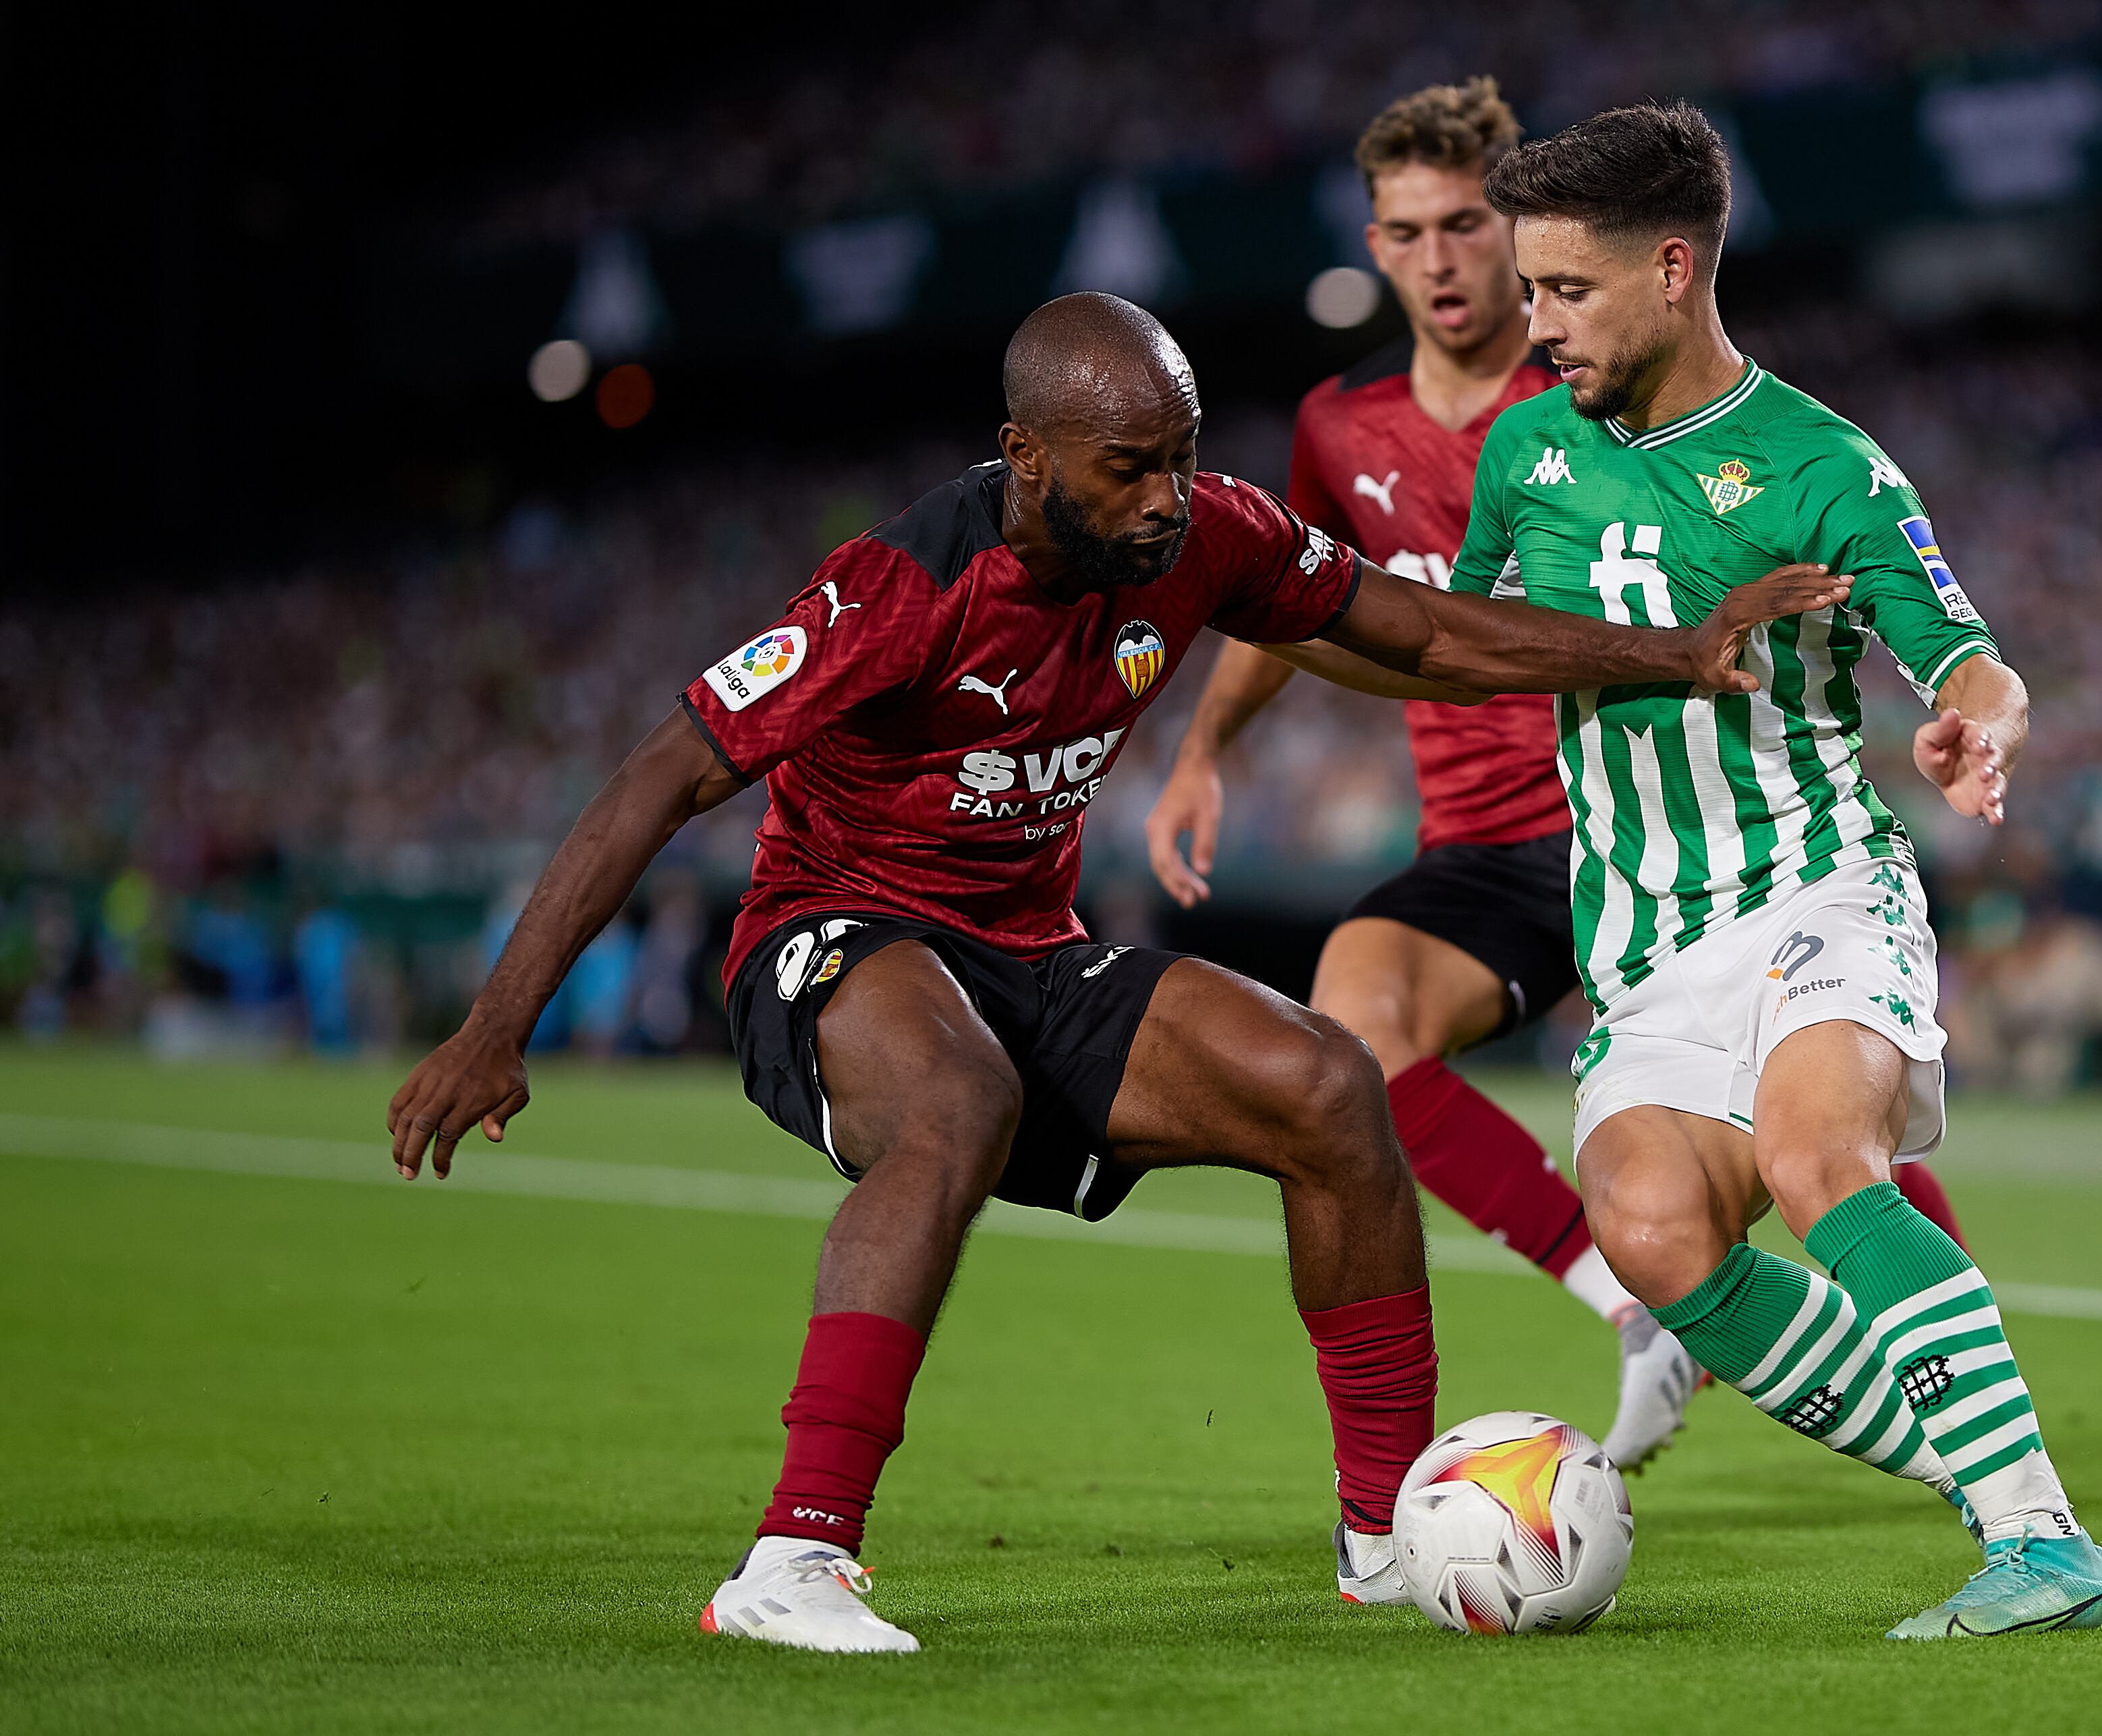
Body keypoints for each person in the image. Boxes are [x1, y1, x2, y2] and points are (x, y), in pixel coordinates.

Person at [383, 291, 1852, 1654]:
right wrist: (495, 1026)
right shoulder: (900, 584)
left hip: (1030, 947)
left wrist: (1668, 650)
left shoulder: (1205, 534)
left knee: (1329, 1082)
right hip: (829, 938)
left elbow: (1414, 628)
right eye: (1126, 467)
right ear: (1024, 455)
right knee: (950, 1098)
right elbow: (659, 775)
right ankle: (792, 1560)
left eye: (1182, 458)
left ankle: (1379, 1536)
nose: (1162, 498)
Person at [1147, 82, 1971, 1472]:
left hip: (1653, 826)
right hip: (1484, 841)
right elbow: (1318, 599)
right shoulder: (1341, 430)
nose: (1442, 260)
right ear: (1373, 244)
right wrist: (1202, 745)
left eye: (1468, 224)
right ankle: (1630, 1307)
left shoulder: (1596, 395)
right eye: (1404, 233)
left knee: (1804, 1133)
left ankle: (1948, 1383)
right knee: (1359, 1015)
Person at [1456, 103, 2102, 1639]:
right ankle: (1980, 1475)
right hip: (1642, 937)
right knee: (1647, 1226)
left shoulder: (1826, 463)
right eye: (1529, 286)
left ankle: (2041, 1538)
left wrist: (1975, 730)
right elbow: (1458, 637)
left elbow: (1966, 657)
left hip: (1816, 882)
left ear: (1673, 268)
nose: (1535, 320)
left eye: (1564, 289)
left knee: (1817, 1151)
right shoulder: (1524, 447)